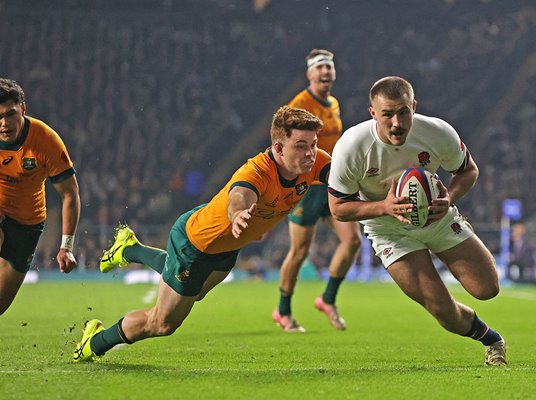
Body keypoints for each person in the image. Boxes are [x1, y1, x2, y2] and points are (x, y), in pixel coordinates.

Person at [73, 106, 330, 362]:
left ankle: (129, 249)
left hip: (227, 248)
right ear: (278, 149)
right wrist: (238, 215)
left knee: (194, 292)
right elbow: (239, 195)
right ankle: (94, 341)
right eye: (300, 146)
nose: (310, 153)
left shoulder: (314, 160)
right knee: (162, 324)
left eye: (313, 144)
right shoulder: (257, 172)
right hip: (196, 244)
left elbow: (342, 174)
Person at [327, 76, 507, 366]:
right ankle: (492, 339)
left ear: (413, 106)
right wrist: (384, 206)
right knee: (444, 312)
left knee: (487, 289)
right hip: (389, 230)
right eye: (387, 114)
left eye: (403, 112)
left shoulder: (436, 132)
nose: (396, 122)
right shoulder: (352, 146)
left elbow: (468, 171)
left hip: (437, 217)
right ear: (373, 113)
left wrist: (449, 198)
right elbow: (338, 208)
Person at [273, 49, 361, 333]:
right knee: (299, 251)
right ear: (310, 73)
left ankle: (328, 299)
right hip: (307, 187)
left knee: (353, 241)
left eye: (329, 67)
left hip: (334, 183)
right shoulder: (300, 104)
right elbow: (280, 140)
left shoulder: (333, 103)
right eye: (320, 67)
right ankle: (283, 310)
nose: (325, 72)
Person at [0, 78, 80, 315]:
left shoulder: (45, 140)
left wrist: (66, 247)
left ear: (23, 109)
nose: (3, 124)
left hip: (28, 223)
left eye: (10, 114)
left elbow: (70, 194)